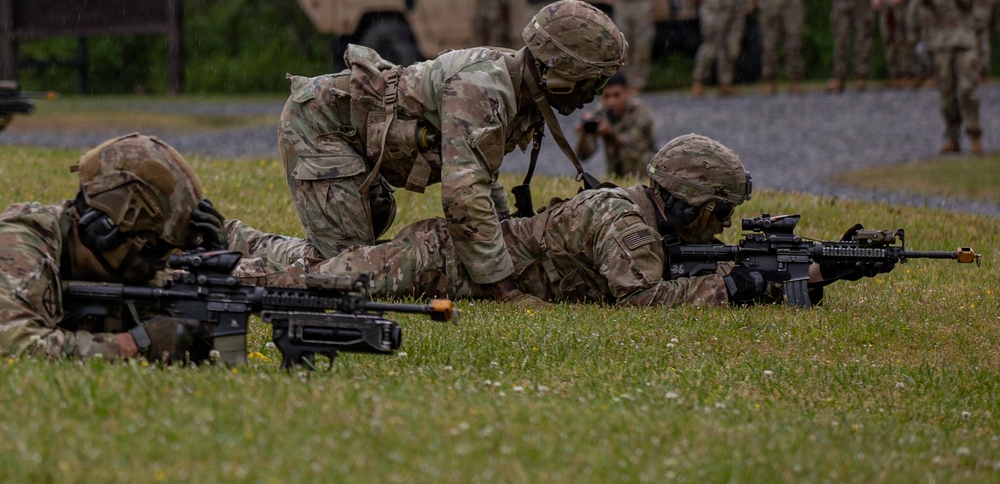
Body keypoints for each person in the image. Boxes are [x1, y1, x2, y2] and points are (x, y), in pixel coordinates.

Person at [229, 134, 878, 308]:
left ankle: (234, 235)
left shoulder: (646, 219)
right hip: (444, 259)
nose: (723, 225)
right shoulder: (626, 223)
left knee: (318, 264)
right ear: (690, 202)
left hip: (464, 262)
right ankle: (232, 262)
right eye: (719, 213)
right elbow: (642, 302)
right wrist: (738, 285)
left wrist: (806, 273)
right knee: (319, 283)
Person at [277, 0, 626, 307]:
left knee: (359, 262)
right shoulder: (483, 88)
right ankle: (242, 261)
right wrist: (504, 288)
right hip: (323, 127)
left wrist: (506, 238)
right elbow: (463, 193)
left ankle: (245, 247)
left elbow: (482, 174)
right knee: (344, 272)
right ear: (561, 73)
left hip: (359, 142)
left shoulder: (522, 87)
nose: (594, 95)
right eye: (592, 81)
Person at [0, 133, 227, 361]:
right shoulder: (17, 244)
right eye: (155, 251)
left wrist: (209, 294)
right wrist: (134, 345)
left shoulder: (110, 267)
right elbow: (13, 341)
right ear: (103, 230)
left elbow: (172, 333)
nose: (160, 265)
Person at [918, 0, 983, 155]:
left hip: (965, 42)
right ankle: (952, 137)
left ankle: (974, 134)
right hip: (942, 44)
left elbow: (965, 2)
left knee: (967, 90)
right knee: (946, 94)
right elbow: (922, 2)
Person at [574, 71, 657, 178]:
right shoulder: (599, 114)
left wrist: (611, 134)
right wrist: (583, 136)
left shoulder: (641, 112)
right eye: (606, 96)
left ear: (627, 92)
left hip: (646, 171)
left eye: (616, 95)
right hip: (615, 173)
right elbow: (583, 156)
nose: (611, 101)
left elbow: (637, 146)